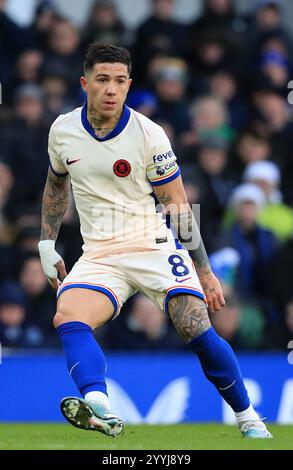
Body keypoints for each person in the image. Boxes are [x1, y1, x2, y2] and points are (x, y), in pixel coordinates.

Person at [38, 42, 272, 439]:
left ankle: (248, 415)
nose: (111, 89)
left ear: (129, 85)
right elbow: (56, 186)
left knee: (194, 326)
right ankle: (99, 405)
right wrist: (46, 243)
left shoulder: (149, 134)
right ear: (85, 83)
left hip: (152, 243)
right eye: (102, 80)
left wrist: (205, 270)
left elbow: (178, 206)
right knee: (68, 316)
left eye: (119, 81)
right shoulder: (63, 131)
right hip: (100, 252)